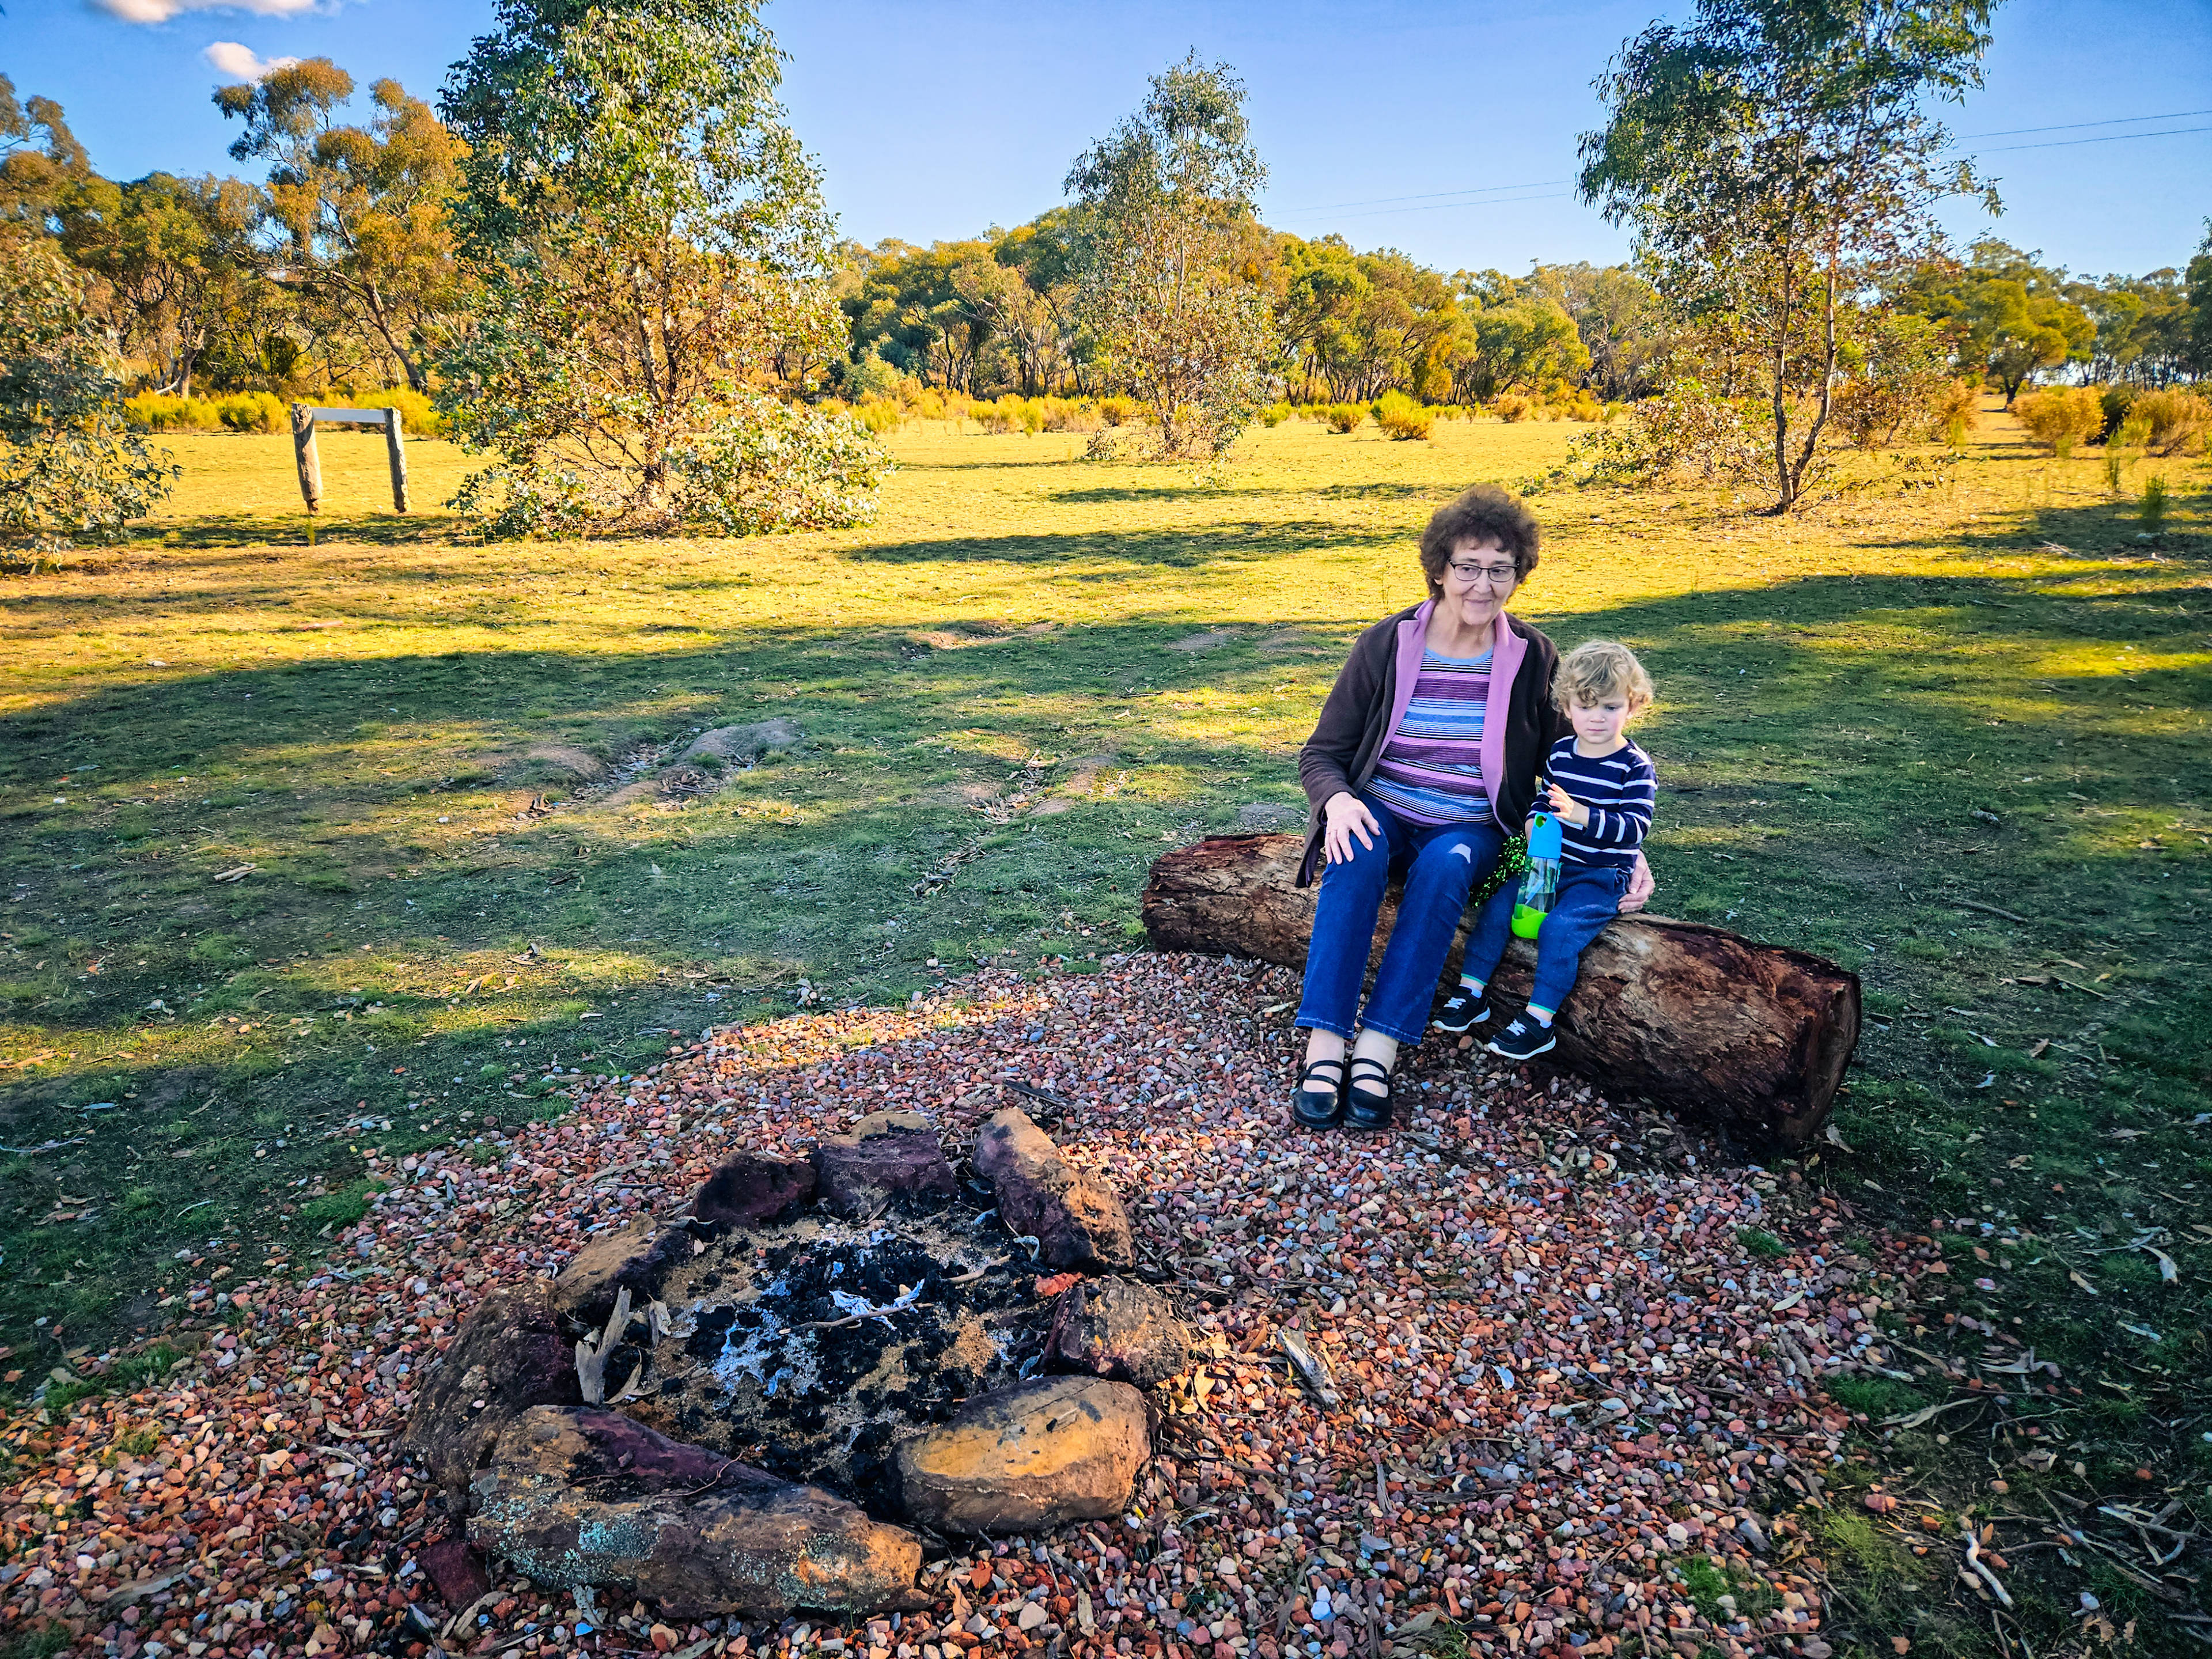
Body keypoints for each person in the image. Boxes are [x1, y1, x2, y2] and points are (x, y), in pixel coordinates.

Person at [1290, 485, 1653, 1132]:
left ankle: (1379, 1047)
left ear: (1518, 575)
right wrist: (1338, 801)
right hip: (1381, 809)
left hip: (1470, 828)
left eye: (1500, 570)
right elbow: (1322, 752)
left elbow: (1574, 758)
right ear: (1439, 568)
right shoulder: (1386, 643)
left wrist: (1630, 849)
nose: (1482, 585)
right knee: (1354, 855)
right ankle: (1324, 1043)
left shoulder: (1533, 657)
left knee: (1447, 867)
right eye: (1468, 566)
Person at [1437, 639, 1657, 1059]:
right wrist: (1533, 824)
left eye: (1611, 707)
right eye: (1586, 706)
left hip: (1599, 875)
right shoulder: (1561, 753)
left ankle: (1539, 1021)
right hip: (1548, 865)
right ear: (1567, 707)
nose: (1597, 717)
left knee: (1559, 930)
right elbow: (1544, 801)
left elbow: (1634, 828)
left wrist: (1582, 815)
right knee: (1498, 910)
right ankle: (1471, 992)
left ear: (1633, 706)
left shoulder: (1634, 767)